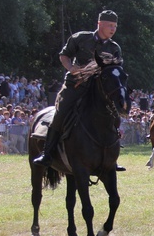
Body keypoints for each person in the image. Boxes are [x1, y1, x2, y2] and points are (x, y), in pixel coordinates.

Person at [33, 10, 126, 171]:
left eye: (115, 26)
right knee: (61, 113)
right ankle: (47, 153)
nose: (113, 29)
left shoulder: (114, 47)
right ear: (100, 24)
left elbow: (115, 71)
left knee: (114, 117)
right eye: (110, 25)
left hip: (98, 90)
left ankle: (111, 158)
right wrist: (71, 68)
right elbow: (64, 56)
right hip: (75, 85)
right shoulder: (81, 38)